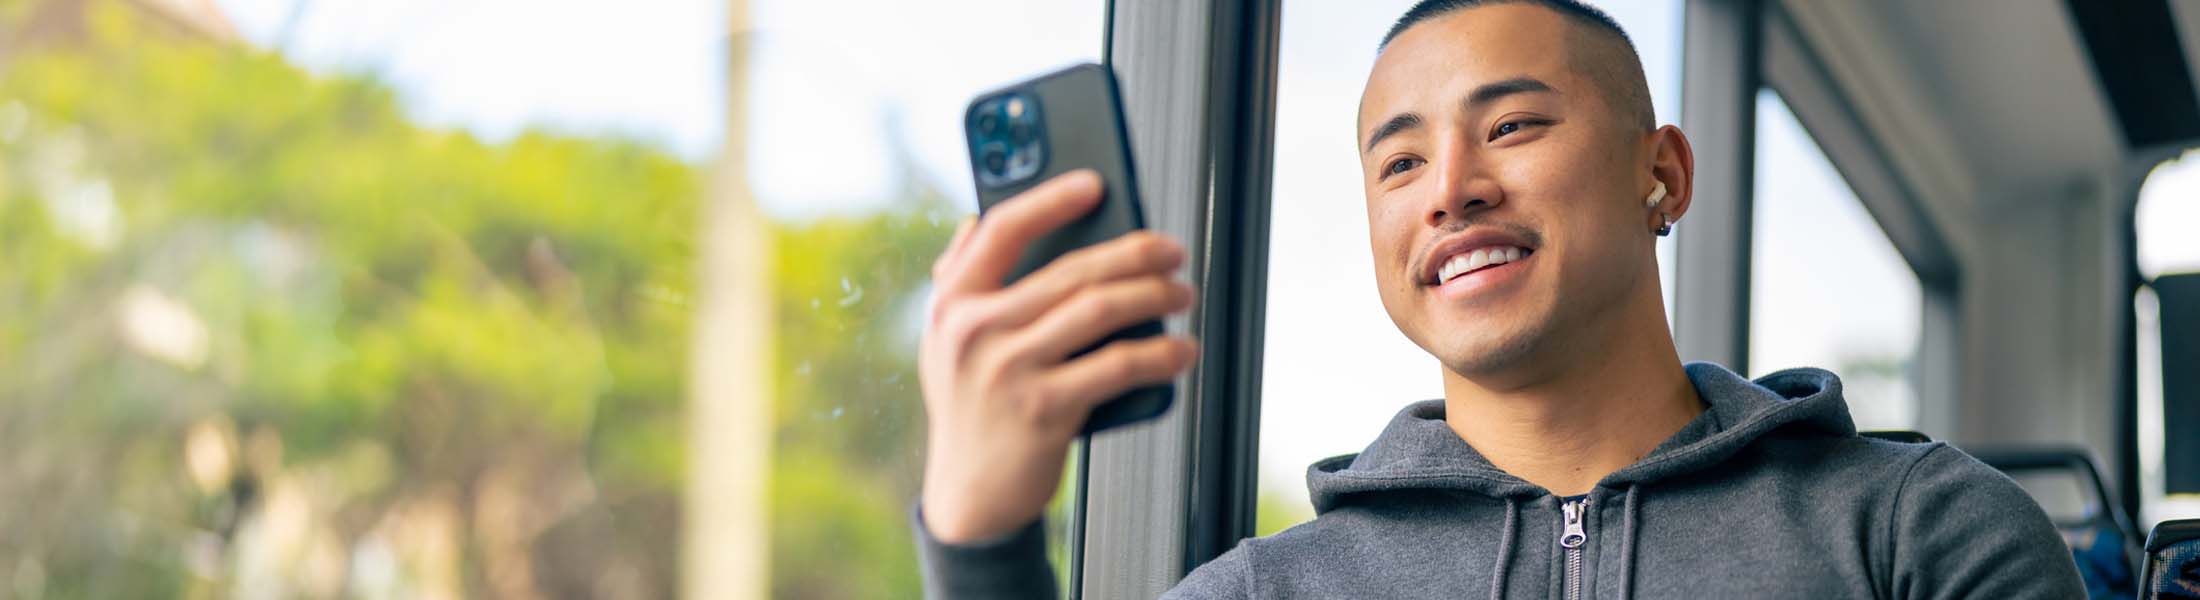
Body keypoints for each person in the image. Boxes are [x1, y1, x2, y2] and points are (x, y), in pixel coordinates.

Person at [910, 0, 2085, 597]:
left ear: (1660, 172)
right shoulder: (1267, 590)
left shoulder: (1920, 531)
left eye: (1513, 127)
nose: (1452, 193)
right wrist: (979, 537)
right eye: (1400, 164)